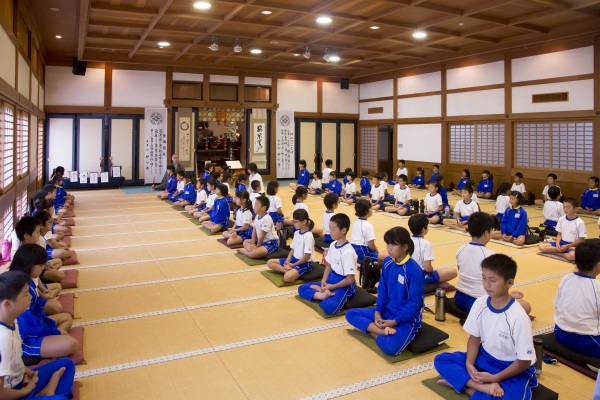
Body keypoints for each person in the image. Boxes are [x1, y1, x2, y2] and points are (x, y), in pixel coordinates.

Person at [434, 254, 538, 399]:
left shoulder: (518, 317)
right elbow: (474, 339)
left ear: (509, 282)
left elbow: (524, 361)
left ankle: (465, 386)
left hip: (512, 369)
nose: (487, 284)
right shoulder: (480, 303)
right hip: (484, 359)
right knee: (441, 360)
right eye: (484, 278)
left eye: (493, 280)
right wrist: (470, 364)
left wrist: (495, 378)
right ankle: (482, 388)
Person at [346, 226, 424, 355]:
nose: (389, 248)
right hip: (386, 312)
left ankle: (371, 331)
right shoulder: (388, 262)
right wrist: (378, 312)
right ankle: (382, 332)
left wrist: (395, 321)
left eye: (394, 245)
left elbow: (414, 303)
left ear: (405, 247)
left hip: (407, 319)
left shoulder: (414, 270)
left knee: (391, 348)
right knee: (351, 314)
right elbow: (382, 290)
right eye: (387, 244)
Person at [0, 270, 76, 399]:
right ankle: (50, 395)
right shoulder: (3, 338)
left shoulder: (12, 321)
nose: (30, 297)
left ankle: (47, 393)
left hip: (20, 382)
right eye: (25, 295)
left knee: (67, 364)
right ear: (7, 304)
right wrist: (26, 391)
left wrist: (29, 372)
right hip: (13, 394)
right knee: (60, 399)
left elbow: (15, 361)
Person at [9, 245, 79, 359]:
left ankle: (53, 346)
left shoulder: (27, 281)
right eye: (41, 265)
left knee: (66, 318)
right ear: (30, 265)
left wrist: (53, 329)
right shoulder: (19, 291)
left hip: (37, 323)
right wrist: (55, 332)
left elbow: (38, 313)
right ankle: (51, 349)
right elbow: (30, 328)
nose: (43, 267)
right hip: (26, 339)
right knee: (72, 344)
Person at [453, 212, 532, 315]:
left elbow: (463, 273)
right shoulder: (491, 256)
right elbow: (496, 286)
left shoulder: (460, 249)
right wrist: (509, 296)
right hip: (478, 303)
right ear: (486, 233)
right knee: (526, 307)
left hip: (458, 298)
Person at [298, 213, 357, 315]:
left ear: (343, 230)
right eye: (329, 228)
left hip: (344, 284)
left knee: (329, 308)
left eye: (333, 229)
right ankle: (322, 295)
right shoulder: (333, 244)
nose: (330, 232)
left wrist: (331, 287)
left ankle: (321, 294)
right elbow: (328, 265)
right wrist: (323, 282)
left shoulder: (348, 252)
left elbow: (350, 279)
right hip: (331, 278)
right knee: (301, 288)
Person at [553, 239, 600, 357]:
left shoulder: (566, 278)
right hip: (587, 342)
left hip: (560, 333)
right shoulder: (597, 287)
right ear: (598, 265)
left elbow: (557, 305)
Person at [267, 209, 315, 282]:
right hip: (293, 259)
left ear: (304, 222)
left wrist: (293, 265)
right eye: (293, 221)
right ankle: (286, 270)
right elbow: (292, 249)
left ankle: (289, 271)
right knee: (269, 262)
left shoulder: (308, 236)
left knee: (287, 278)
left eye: (296, 222)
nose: (294, 224)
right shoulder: (296, 233)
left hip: (304, 263)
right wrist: (287, 261)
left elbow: (306, 257)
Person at [409, 214, 457, 287]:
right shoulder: (425, 243)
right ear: (423, 229)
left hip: (407, 274)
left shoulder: (407, 240)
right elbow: (428, 269)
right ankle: (434, 285)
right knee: (453, 272)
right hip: (420, 276)